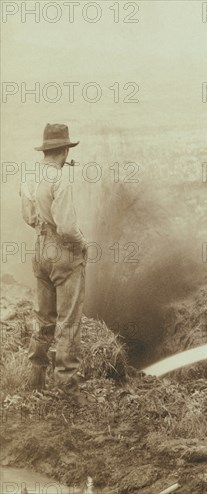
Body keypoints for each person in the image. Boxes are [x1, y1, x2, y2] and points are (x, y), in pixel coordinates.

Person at [20, 123, 87, 396]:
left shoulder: (29, 176)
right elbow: (68, 227)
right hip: (62, 250)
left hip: (40, 247)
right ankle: (66, 387)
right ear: (63, 150)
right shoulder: (61, 178)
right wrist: (82, 246)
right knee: (68, 320)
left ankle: (36, 378)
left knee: (43, 317)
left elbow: (28, 216)